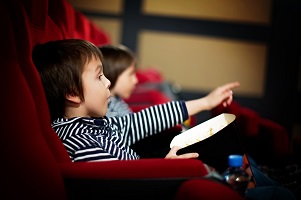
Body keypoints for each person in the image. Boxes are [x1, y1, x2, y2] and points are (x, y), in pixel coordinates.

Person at [32, 38, 239, 162]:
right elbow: (120, 183)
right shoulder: (81, 143)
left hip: (146, 170)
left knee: (220, 133)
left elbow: (140, 121)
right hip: (144, 180)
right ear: (72, 93)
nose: (107, 84)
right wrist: (163, 169)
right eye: (99, 77)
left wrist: (206, 102)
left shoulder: (96, 123)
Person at [98, 44, 137, 118]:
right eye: (131, 74)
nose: (135, 80)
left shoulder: (118, 101)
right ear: (112, 73)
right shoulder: (108, 110)